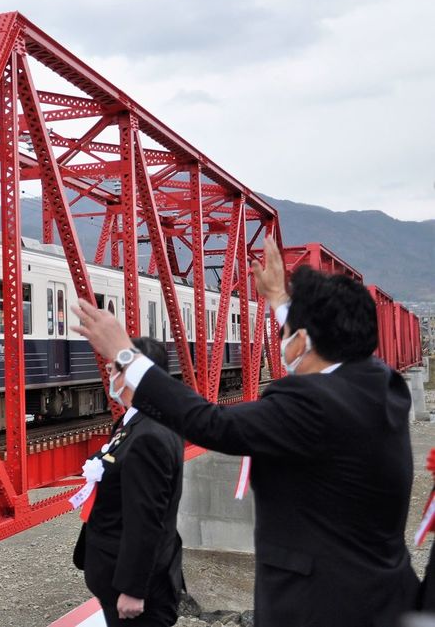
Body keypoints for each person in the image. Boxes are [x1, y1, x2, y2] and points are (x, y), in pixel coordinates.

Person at [71, 236, 418, 626]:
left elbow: (212, 423)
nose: (283, 342)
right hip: (382, 593)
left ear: (302, 340)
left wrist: (126, 355)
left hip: (322, 605)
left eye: (289, 332)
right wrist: (278, 300)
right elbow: (319, 340)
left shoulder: (312, 405)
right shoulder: (380, 384)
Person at [73, 336, 185, 626]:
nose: (109, 375)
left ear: (134, 377)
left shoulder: (149, 436)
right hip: (115, 578)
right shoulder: (136, 423)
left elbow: (146, 520)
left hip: (137, 597)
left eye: (114, 370)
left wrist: (133, 590)